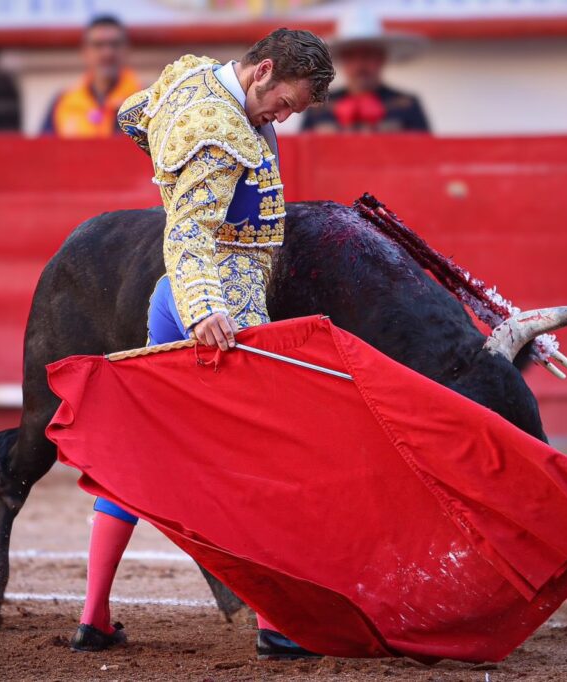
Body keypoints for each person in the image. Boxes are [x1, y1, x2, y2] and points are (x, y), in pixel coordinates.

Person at [69, 29, 334, 659]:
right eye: (284, 103)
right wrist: (208, 308)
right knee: (256, 459)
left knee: (140, 448)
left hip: (176, 300)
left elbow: (136, 115)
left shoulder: (190, 78)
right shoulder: (221, 133)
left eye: (294, 111)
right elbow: (188, 234)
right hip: (221, 309)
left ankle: (94, 616)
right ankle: (274, 620)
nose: (283, 117)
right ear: (262, 69)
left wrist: (171, 168)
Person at [301, 7, 429, 133]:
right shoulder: (319, 107)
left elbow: (426, 151)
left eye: (367, 55)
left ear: (381, 58)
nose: (360, 65)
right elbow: (301, 151)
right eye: (351, 56)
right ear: (342, 60)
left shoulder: (406, 106)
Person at [40, 15, 141, 138]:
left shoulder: (146, 103)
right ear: (85, 52)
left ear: (127, 49)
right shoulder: (63, 103)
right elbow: (44, 152)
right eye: (98, 45)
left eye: (115, 44)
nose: (107, 53)